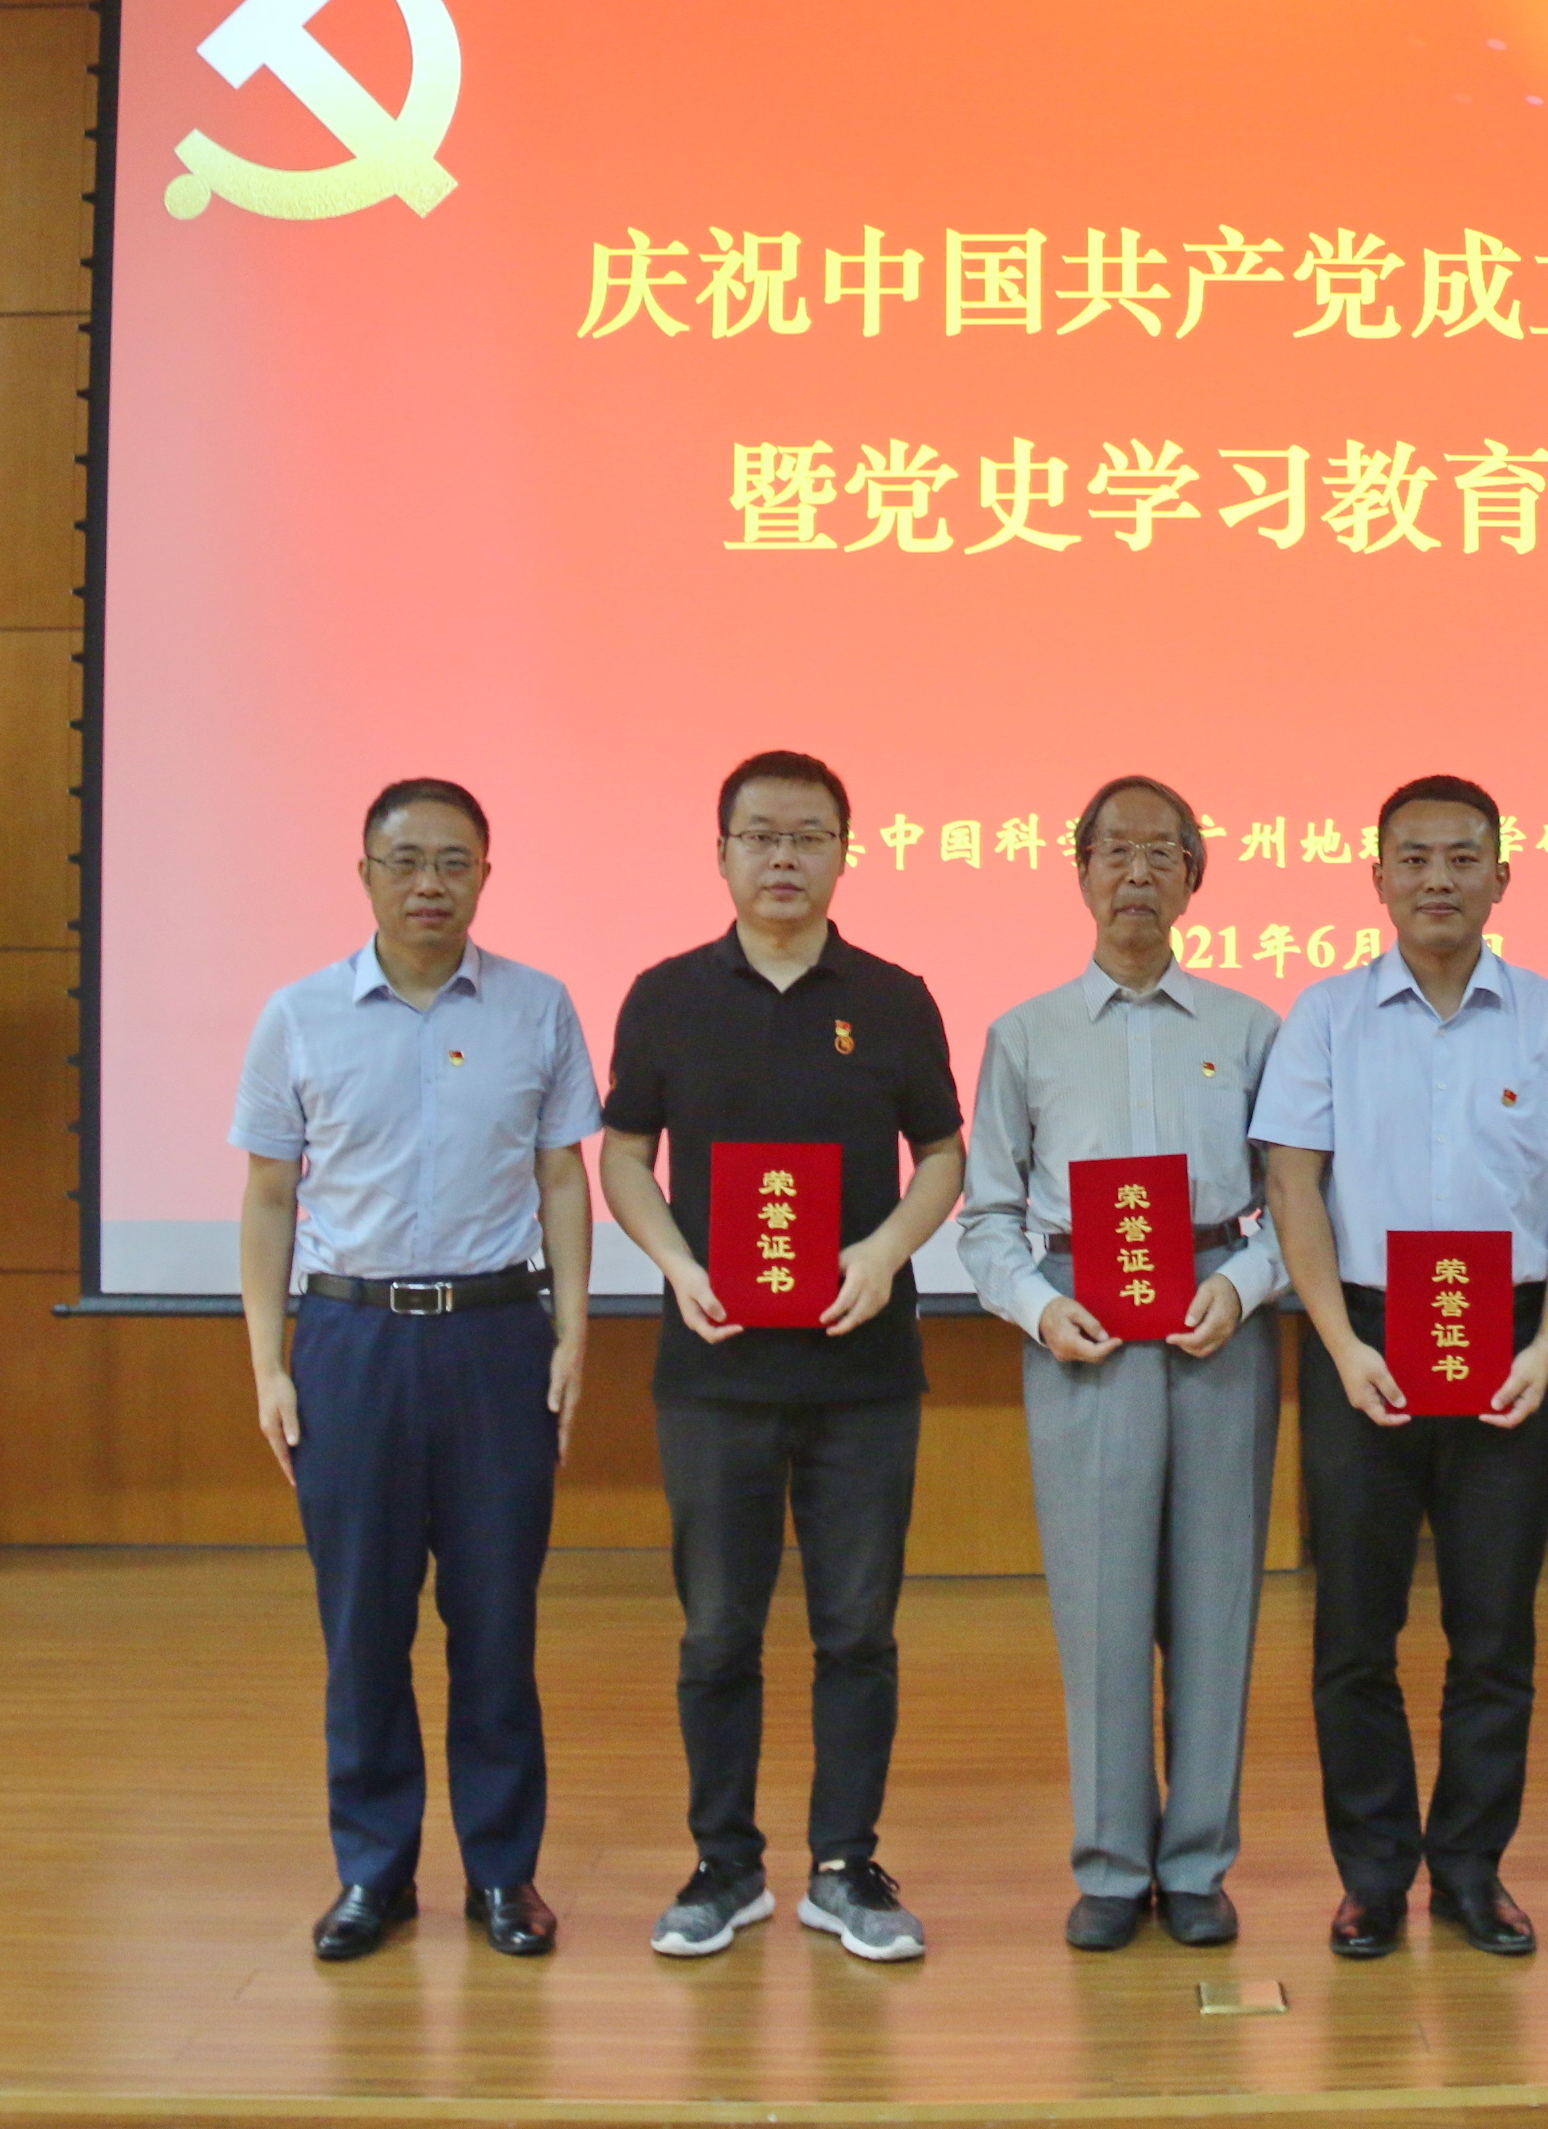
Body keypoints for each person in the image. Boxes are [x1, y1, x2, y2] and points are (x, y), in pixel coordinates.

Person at [1253, 775, 1548, 1960]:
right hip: (1364, 1335)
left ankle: (1472, 1867)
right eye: (1415, 857)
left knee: (1495, 1631)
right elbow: (1291, 1184)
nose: (1438, 878)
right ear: (1375, 875)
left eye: (1463, 857)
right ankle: (1373, 1874)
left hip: (1512, 1338)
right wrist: (1339, 1341)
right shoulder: (1326, 1014)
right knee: (1354, 1632)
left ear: (1502, 876)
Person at [600, 749, 965, 1965]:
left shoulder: (895, 996)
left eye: (808, 835)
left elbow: (943, 1156)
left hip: (864, 1372)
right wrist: (675, 1260)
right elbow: (623, 1153)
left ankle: (846, 1865)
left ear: (845, 852)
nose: (784, 857)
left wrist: (886, 1248)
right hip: (714, 1371)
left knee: (857, 1628)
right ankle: (725, 1864)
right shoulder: (666, 994)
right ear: (721, 853)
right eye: (760, 835)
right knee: (718, 1630)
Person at [232, 777, 599, 1962]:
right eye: (405, 860)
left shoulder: (538, 1006)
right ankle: (373, 1870)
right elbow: (269, 1197)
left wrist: (572, 1331)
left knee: (495, 1620)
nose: (429, 883)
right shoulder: (298, 1016)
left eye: (453, 860)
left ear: (486, 873)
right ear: (366, 874)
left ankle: (503, 1872)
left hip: (497, 1339)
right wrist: (269, 1363)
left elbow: (561, 1179)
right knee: (364, 1623)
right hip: (352, 1342)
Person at [960, 775, 1288, 1953]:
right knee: (1099, 1604)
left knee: (1217, 1598)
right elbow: (988, 1215)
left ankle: (1196, 1861)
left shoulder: (1251, 1029)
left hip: (1216, 1316)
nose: (1138, 872)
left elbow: (1301, 1201)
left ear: (1196, 875)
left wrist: (1243, 1285)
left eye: (1162, 852)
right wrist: (1039, 1308)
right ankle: (1109, 1860)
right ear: (1081, 871)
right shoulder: (1025, 1033)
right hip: (1082, 1329)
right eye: (1116, 851)